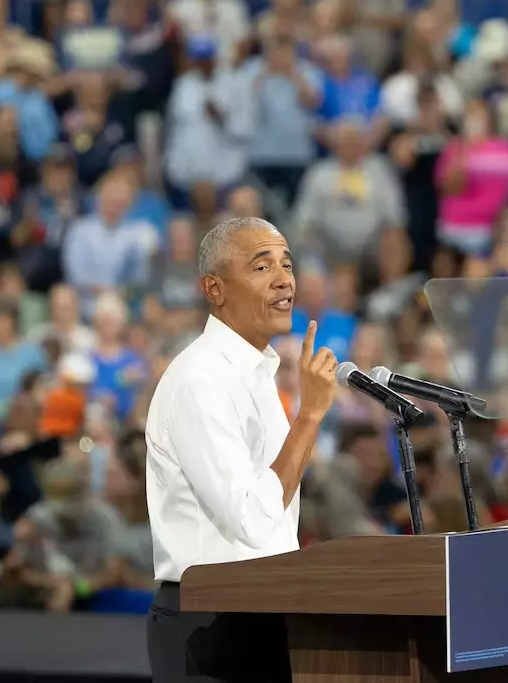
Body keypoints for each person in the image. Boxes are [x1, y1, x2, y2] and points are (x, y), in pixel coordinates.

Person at [145, 216, 338, 683]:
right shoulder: (200, 380)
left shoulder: (256, 375)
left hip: (263, 611)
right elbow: (251, 519)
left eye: (287, 264)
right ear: (214, 288)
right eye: (261, 266)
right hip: (208, 626)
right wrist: (310, 415)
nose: (283, 279)